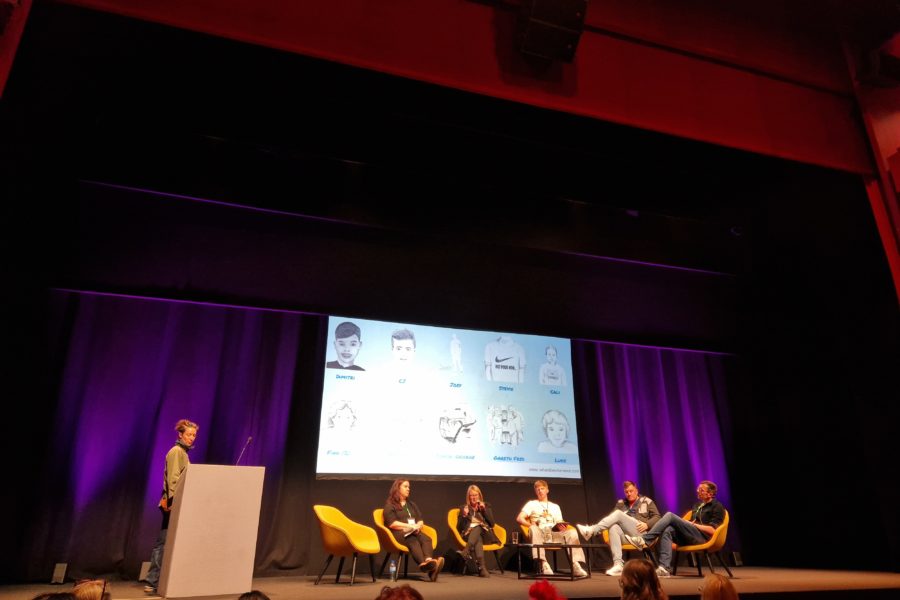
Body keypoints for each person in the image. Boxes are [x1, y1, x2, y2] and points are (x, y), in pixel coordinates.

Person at [625, 480, 726, 578]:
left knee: (670, 515)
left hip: (703, 537)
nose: (697, 491)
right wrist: (689, 524)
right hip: (690, 535)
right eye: (698, 489)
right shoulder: (697, 506)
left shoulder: (717, 506)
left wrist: (694, 525)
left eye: (701, 490)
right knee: (667, 529)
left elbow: (713, 530)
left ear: (710, 494)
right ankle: (664, 568)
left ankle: (645, 540)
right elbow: (689, 526)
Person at [144, 419, 199, 594]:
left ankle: (159, 581)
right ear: (180, 435)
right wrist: (174, 503)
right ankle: (152, 582)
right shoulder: (177, 452)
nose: (192, 438)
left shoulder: (183, 452)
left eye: (194, 435)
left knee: (167, 542)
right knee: (163, 543)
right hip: (172, 504)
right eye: (189, 434)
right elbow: (174, 480)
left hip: (175, 503)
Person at [575, 480, 661, 576]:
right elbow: (611, 519)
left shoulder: (646, 501)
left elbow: (657, 517)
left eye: (631, 491)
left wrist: (647, 524)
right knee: (613, 526)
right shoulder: (621, 503)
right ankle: (618, 565)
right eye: (626, 492)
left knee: (618, 514)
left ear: (636, 490)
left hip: (641, 535)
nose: (628, 494)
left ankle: (592, 530)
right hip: (628, 538)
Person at [516, 480, 588, 578]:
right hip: (540, 533)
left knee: (572, 532)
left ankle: (575, 564)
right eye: (538, 490)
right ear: (535, 492)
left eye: (542, 489)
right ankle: (543, 563)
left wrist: (561, 526)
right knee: (533, 529)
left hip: (554, 533)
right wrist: (530, 525)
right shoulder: (531, 504)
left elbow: (560, 521)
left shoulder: (555, 506)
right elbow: (519, 518)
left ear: (547, 490)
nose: (540, 491)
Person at [383, 479, 444, 582]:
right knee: (412, 540)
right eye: (405, 486)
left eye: (409, 487)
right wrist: (409, 526)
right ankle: (423, 564)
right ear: (397, 488)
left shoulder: (411, 504)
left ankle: (429, 563)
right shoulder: (390, 505)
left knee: (426, 539)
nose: (408, 489)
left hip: (413, 531)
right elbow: (392, 523)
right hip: (398, 533)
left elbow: (420, 520)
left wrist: (417, 527)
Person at [455, 484, 500, 577]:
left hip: (486, 535)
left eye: (476, 495)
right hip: (469, 534)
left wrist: (484, 511)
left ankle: (466, 551)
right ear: (468, 496)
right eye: (472, 495)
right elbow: (459, 527)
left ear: (479, 496)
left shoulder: (486, 506)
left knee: (479, 526)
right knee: (477, 535)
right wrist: (464, 515)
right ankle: (482, 568)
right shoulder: (464, 507)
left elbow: (492, 524)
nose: (474, 497)